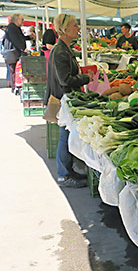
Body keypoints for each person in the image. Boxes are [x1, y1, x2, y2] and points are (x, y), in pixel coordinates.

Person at [44, 13, 93, 188]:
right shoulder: (60, 51)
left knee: (66, 135)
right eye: (74, 25)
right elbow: (65, 80)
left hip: (68, 98)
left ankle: (68, 171)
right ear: (64, 29)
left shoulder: (64, 49)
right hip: (63, 98)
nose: (78, 28)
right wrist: (85, 78)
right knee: (65, 136)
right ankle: (64, 175)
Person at [3, 14, 34, 93]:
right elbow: (15, 40)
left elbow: (21, 37)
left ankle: (17, 86)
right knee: (13, 71)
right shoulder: (11, 28)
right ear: (17, 20)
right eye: (22, 19)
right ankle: (15, 88)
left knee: (16, 70)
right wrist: (23, 49)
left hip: (15, 53)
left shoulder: (16, 28)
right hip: (12, 53)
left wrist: (29, 37)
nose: (23, 21)